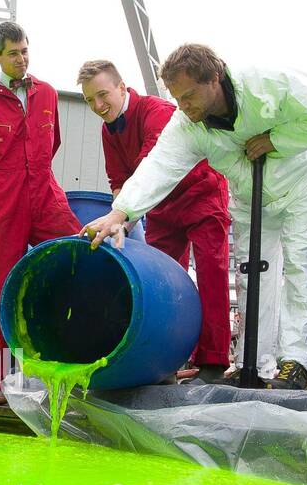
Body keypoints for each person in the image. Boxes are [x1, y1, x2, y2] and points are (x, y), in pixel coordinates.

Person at [83, 44, 307, 389]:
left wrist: (277, 139)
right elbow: (159, 166)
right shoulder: (187, 123)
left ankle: (297, 361)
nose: (184, 106)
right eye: (178, 98)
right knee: (253, 271)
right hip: (249, 192)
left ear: (215, 79)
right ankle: (253, 362)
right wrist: (119, 213)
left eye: (190, 95)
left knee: (301, 264)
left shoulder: (265, 84)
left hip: (299, 184)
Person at [0, 21, 80, 405]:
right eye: (13, 53)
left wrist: (33, 175)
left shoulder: (48, 93)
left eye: (25, 50)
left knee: (75, 262)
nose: (21, 59)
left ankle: (75, 369)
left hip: (43, 190)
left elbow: (51, 142)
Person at [77, 60, 232, 382]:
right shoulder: (109, 130)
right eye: (90, 100)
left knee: (210, 273)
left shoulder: (157, 112)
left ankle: (213, 363)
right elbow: (119, 179)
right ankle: (164, 361)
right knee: (161, 284)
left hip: (200, 192)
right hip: (161, 208)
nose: (98, 105)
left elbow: (153, 170)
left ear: (122, 87)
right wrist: (119, 221)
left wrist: (127, 216)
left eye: (103, 95)